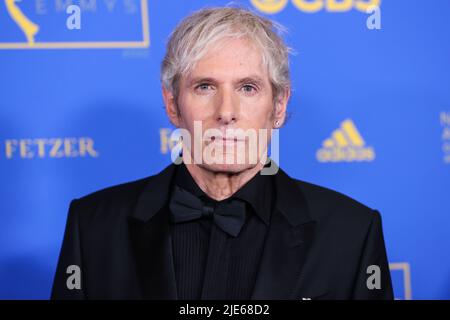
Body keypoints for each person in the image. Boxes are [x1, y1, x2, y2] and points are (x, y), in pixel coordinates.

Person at [51, 6, 393, 300]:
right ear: (172, 104)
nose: (226, 111)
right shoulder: (94, 226)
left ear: (278, 104)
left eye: (247, 87)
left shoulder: (351, 233)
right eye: (205, 87)